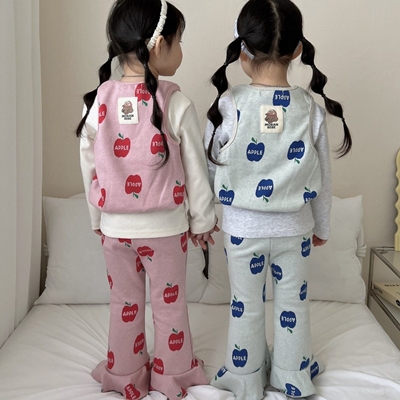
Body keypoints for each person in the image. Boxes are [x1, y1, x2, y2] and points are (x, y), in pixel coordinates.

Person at [204, 1, 352, 399]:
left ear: (243, 49)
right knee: (293, 306)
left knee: (245, 305)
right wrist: (322, 226)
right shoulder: (310, 109)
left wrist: (209, 214)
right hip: (295, 229)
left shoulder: (227, 105)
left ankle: (245, 377)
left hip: (241, 231)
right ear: (298, 49)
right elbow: (323, 177)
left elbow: (210, 168)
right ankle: (292, 374)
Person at [76, 1, 218, 399]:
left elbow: (88, 166)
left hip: (114, 229)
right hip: (165, 231)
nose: (181, 49)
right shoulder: (177, 103)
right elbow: (196, 171)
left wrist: (96, 218)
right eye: (178, 40)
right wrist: (202, 221)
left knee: (124, 302)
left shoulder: (96, 101)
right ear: (157, 45)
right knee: (170, 305)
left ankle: (124, 373)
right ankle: (172, 374)